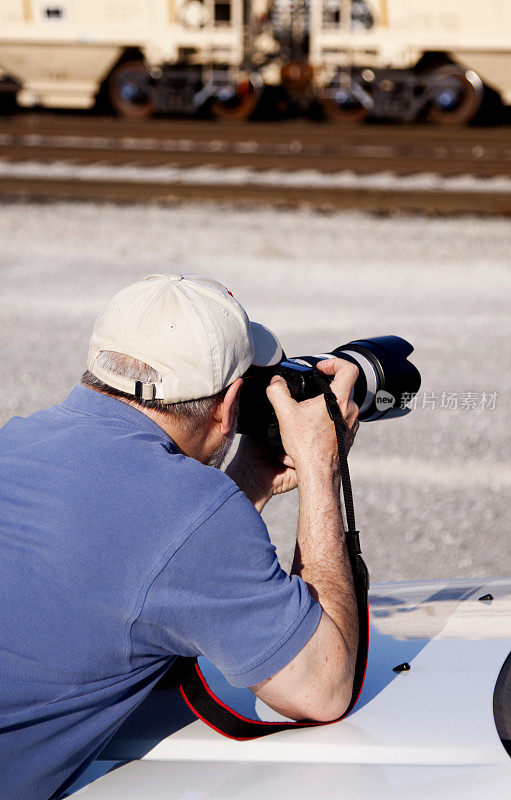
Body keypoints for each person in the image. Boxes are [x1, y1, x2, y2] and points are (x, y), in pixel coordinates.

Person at [0, 273, 361, 800]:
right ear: (229, 401)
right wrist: (321, 466)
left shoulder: (16, 439)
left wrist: (248, 483)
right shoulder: (193, 514)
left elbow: (135, 564)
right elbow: (322, 689)